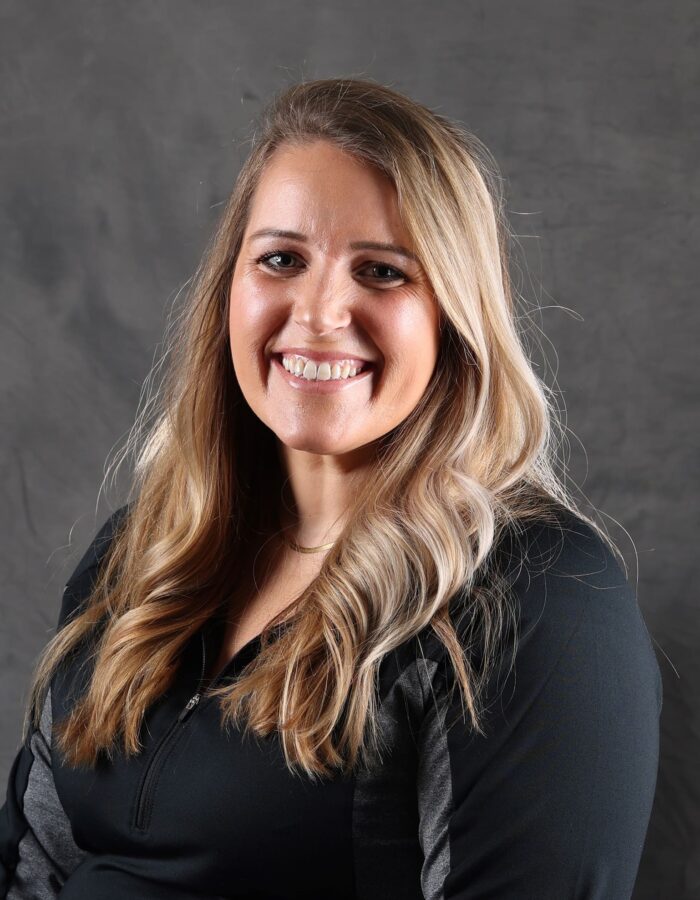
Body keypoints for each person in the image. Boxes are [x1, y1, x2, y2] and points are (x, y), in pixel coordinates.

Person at [0, 78, 662, 899]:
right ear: (227, 293)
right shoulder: (140, 557)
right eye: (281, 259)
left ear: (453, 318)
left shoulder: (537, 600)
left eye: (382, 273)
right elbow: (33, 868)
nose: (318, 313)